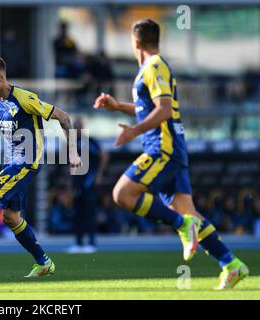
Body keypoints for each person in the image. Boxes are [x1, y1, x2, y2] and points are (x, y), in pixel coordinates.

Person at [93, 19, 248, 290]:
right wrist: (119, 106)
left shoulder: (154, 66)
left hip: (162, 148)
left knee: (123, 194)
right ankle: (230, 264)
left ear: (136, 42)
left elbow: (164, 109)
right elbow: (151, 107)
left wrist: (133, 132)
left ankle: (180, 224)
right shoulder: (150, 68)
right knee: (190, 213)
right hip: (171, 148)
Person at [0, 53, 81, 278]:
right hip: (11, 162)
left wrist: (73, 152)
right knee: (10, 217)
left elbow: (64, 117)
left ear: (1, 78)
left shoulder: (24, 98)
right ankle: (44, 262)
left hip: (27, 162)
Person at [67, 118, 109, 253]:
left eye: (79, 126)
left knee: (89, 213)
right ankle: (78, 243)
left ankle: (91, 243)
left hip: (89, 182)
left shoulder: (90, 142)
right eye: (75, 126)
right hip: (77, 184)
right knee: (77, 213)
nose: (77, 128)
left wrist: (99, 175)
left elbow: (104, 155)